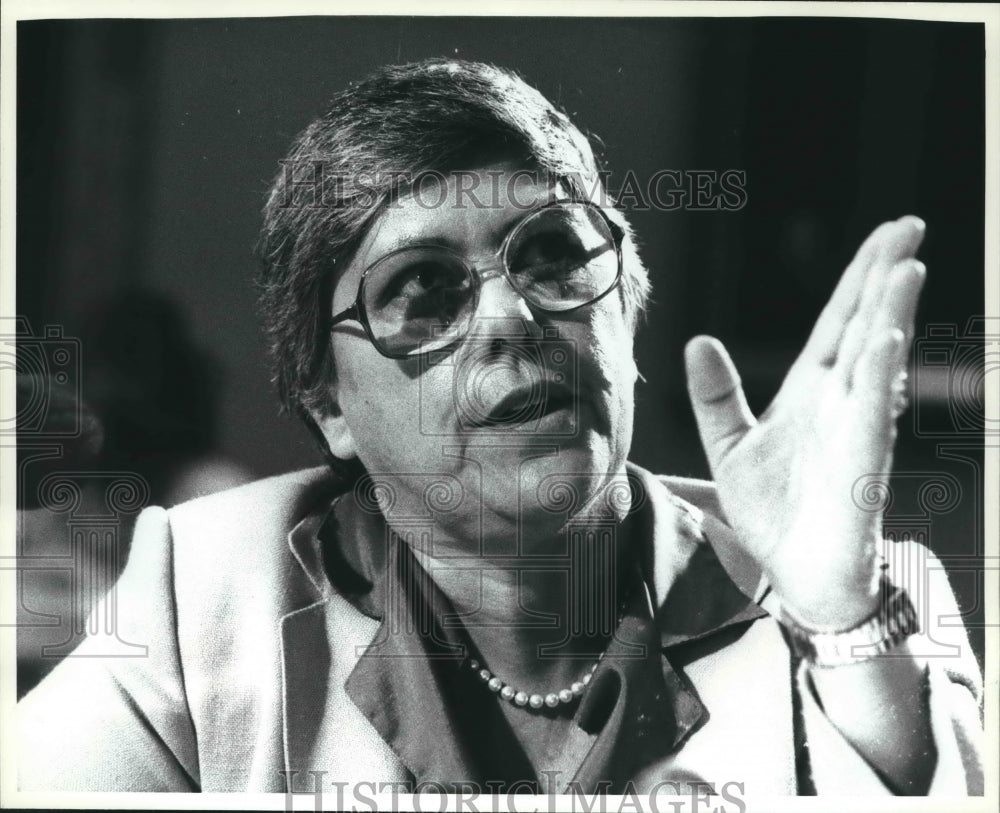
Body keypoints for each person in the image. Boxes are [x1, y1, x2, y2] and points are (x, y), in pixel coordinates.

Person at [17, 58, 983, 797]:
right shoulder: (200, 598)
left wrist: (844, 623)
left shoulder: (864, 594)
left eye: (554, 256)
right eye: (422, 291)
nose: (511, 316)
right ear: (331, 406)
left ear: (626, 314)